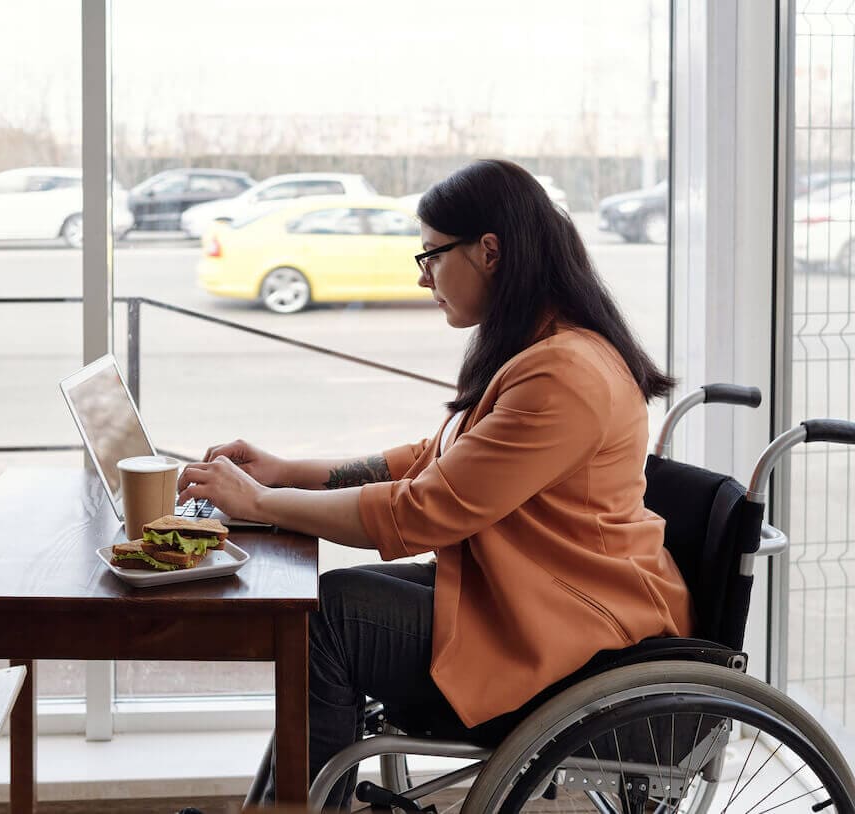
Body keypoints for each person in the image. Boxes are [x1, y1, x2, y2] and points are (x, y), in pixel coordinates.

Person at [176, 159, 695, 809]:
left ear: (489, 252)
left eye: (431, 256)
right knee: (328, 604)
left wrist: (259, 502)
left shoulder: (563, 374)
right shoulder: (542, 351)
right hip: (529, 596)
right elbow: (433, 459)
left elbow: (426, 512)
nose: (423, 278)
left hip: (573, 627)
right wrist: (285, 473)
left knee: (328, 617)